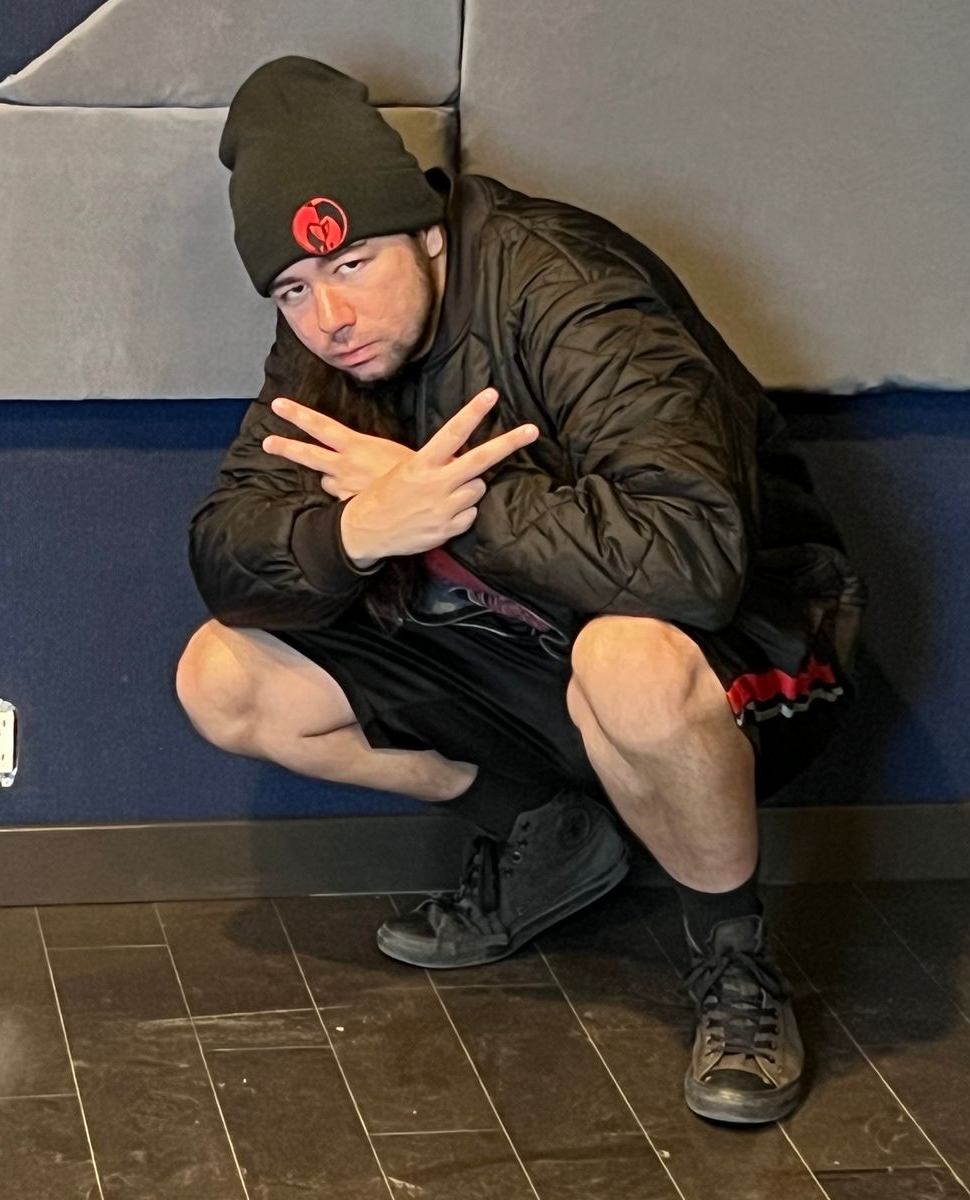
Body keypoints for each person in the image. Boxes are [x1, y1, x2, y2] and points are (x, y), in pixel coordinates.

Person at [176, 57, 864, 1125]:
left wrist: (456, 507)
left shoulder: (567, 289)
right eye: (294, 288)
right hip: (526, 650)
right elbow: (226, 552)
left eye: (353, 263)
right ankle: (553, 834)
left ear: (426, 231)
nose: (330, 314)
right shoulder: (327, 347)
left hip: (751, 646)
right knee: (223, 676)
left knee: (624, 660)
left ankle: (735, 962)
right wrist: (356, 532)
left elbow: (696, 559)